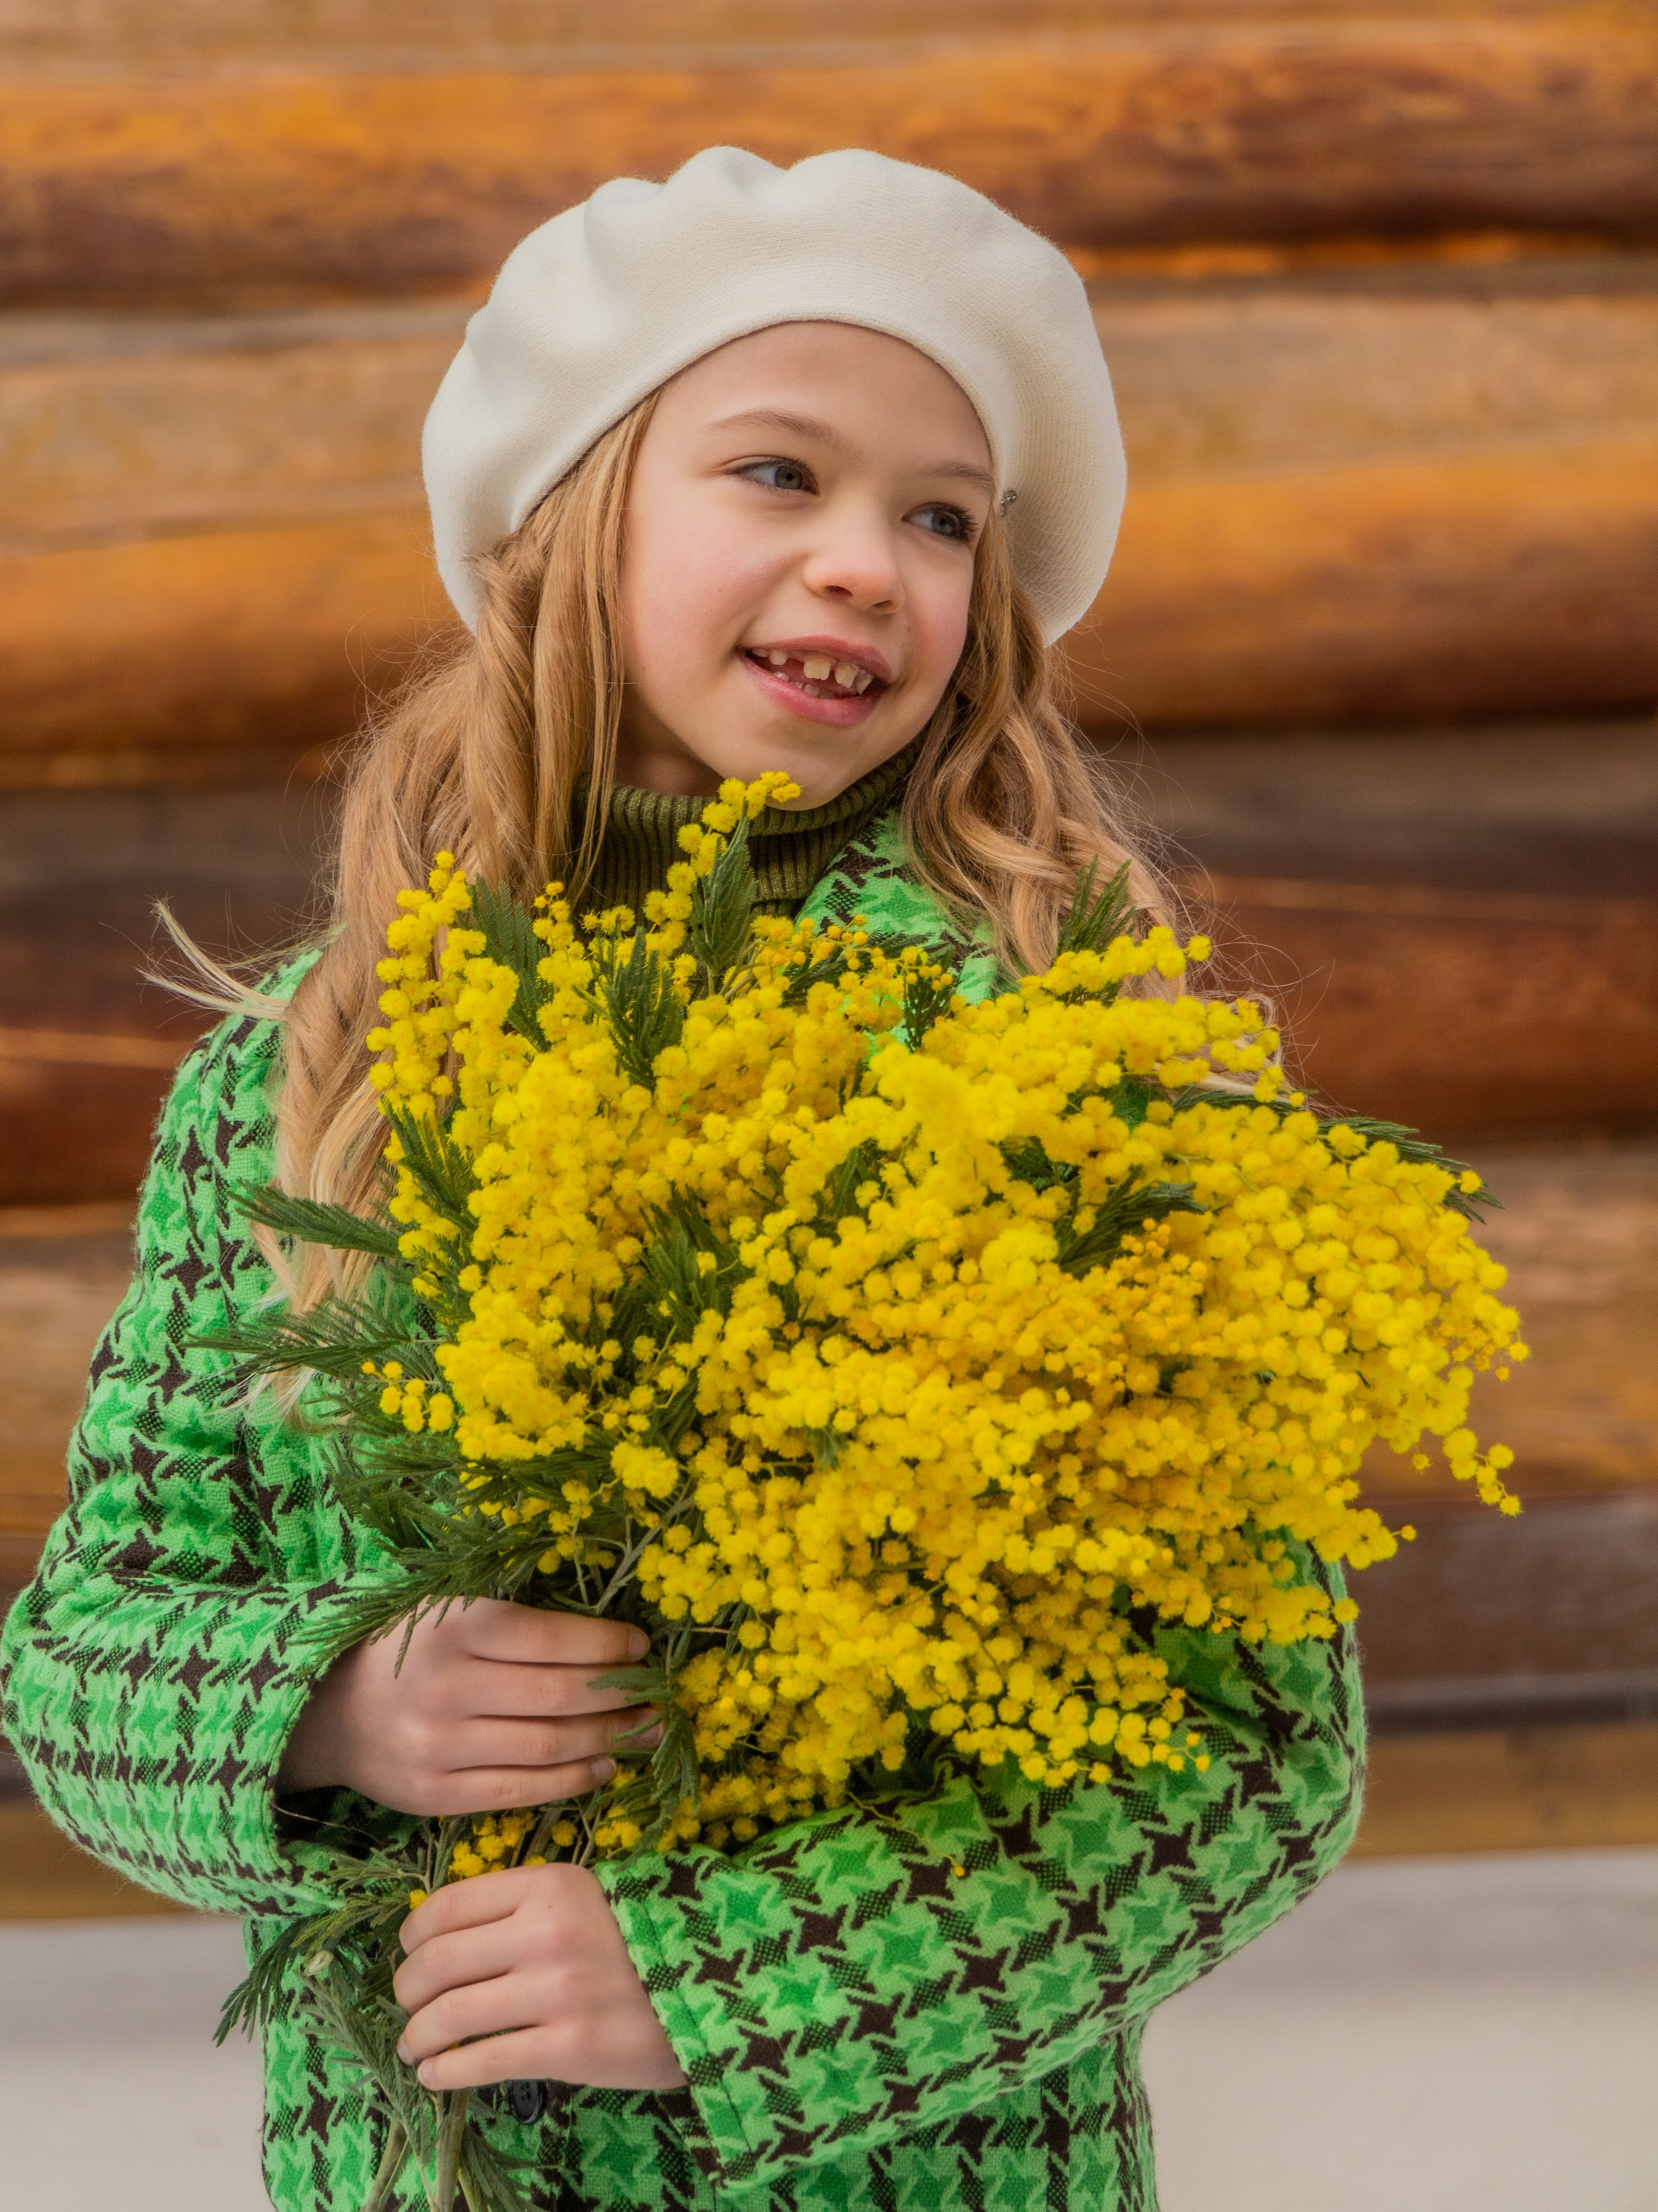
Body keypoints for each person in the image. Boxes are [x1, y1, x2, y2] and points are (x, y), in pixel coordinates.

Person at [0, 148, 1361, 2211]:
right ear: (570, 520)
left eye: (940, 521)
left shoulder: (1069, 1073)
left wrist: (717, 1991)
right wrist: (333, 1708)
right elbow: (90, 1645)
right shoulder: (307, 1074)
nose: (862, 564)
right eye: (776, 474)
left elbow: (1259, 1758)